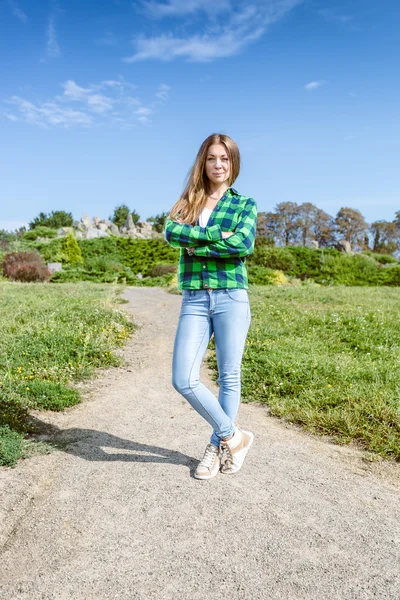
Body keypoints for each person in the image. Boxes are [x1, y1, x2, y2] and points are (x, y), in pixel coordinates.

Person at [164, 133, 257, 480]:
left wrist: (197, 244)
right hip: (194, 298)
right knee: (183, 378)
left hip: (232, 295)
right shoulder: (187, 202)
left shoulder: (244, 204)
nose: (218, 165)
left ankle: (216, 449)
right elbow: (172, 233)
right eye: (212, 158)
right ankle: (234, 436)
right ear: (202, 162)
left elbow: (242, 245)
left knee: (229, 376)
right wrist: (218, 237)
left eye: (225, 159)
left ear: (233, 164)